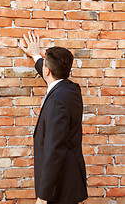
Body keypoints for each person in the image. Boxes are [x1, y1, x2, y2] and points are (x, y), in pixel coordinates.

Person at [20, 32, 88, 204]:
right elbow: (52, 77)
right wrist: (36, 56)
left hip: (60, 187)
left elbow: (55, 148)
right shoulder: (71, 90)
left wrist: (43, 197)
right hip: (71, 180)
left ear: (48, 70)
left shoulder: (57, 100)